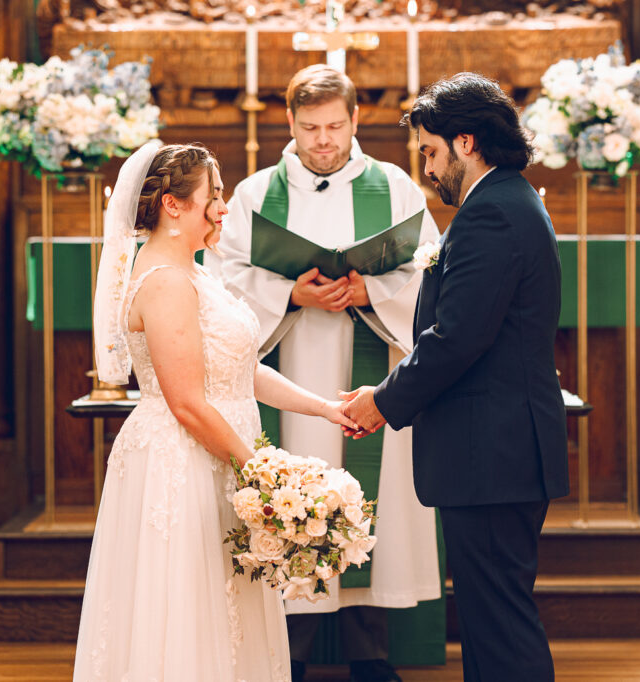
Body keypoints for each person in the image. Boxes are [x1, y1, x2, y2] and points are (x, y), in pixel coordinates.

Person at [73, 141, 359, 681]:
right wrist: (262, 472)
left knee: (228, 605)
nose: (224, 206)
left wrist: (323, 407)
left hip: (219, 453)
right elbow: (185, 401)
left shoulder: (200, 274)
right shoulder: (165, 283)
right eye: (214, 195)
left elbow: (240, 369)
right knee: (186, 607)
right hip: (182, 462)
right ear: (172, 206)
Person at [207, 65, 442, 682]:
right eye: (309, 127)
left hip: (375, 372)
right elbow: (222, 277)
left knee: (373, 497)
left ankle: (370, 656)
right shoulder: (256, 194)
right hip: (289, 370)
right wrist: (291, 295)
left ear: (355, 120)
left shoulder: (394, 188)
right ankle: (294, 654)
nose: (322, 140)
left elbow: (432, 271)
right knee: (289, 498)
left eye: (335, 126)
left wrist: (372, 289)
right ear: (289, 122)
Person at [341, 73, 570, 682]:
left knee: (501, 626)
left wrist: (382, 401)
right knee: (495, 620)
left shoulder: (492, 213)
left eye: (430, 151)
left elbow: (459, 338)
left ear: (465, 142)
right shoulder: (507, 203)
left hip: (492, 453)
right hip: (495, 451)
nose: (427, 169)